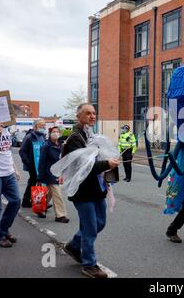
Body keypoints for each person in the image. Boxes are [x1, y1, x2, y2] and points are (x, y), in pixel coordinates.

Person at [62, 103, 120, 278]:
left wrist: (109, 160)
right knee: (90, 227)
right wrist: (106, 164)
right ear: (79, 116)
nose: (92, 116)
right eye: (88, 113)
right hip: (83, 191)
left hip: (96, 188)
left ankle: (73, 245)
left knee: (99, 223)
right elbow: (82, 165)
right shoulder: (75, 138)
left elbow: (97, 157)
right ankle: (89, 264)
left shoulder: (90, 135)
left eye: (94, 113)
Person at [36, 126, 69, 222]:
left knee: (50, 193)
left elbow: (63, 160)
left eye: (57, 131)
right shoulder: (45, 146)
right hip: (48, 173)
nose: (56, 133)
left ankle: (41, 208)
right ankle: (60, 215)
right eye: (54, 131)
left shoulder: (62, 146)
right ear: (50, 134)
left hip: (58, 172)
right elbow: (41, 162)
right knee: (57, 192)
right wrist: (40, 177)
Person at [19, 119, 46, 208]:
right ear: (35, 127)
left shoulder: (42, 136)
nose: (43, 127)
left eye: (44, 125)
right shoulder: (29, 137)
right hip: (32, 164)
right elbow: (22, 151)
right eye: (41, 125)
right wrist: (29, 163)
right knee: (34, 181)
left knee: (35, 182)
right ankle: (32, 201)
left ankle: (32, 201)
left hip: (41, 164)